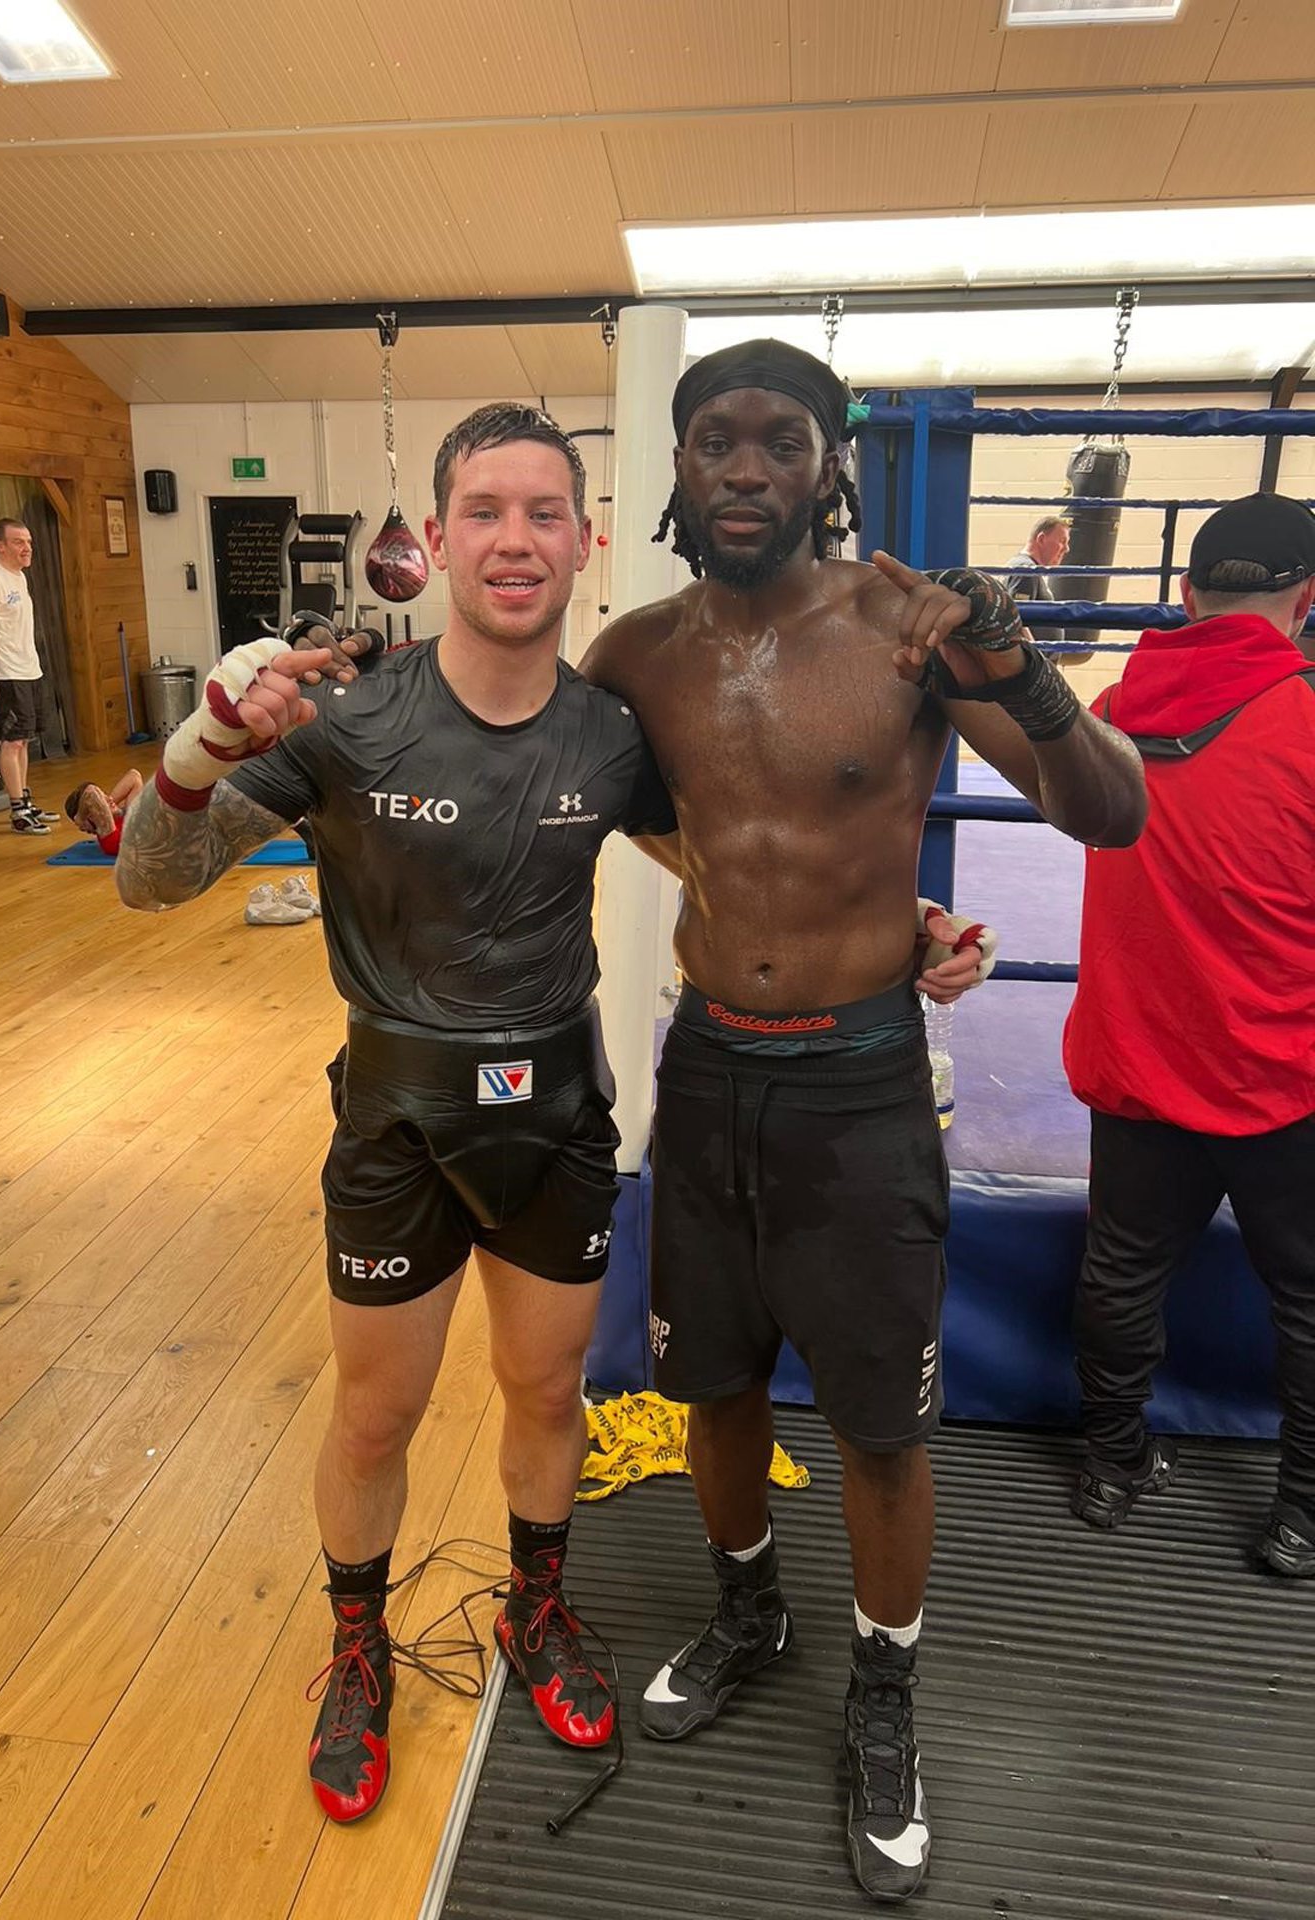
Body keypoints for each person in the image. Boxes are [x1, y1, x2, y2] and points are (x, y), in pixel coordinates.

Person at [581, 339, 1147, 1904]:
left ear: (832, 465)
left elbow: (1114, 810)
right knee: (711, 1383)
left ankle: (883, 1687)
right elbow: (665, 821)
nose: (746, 466)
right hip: (708, 1075)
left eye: (781, 441)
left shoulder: (907, 632)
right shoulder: (632, 656)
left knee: (883, 1428)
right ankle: (751, 1607)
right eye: (715, 440)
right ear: (681, 469)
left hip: (861, 1088)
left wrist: (1023, 669)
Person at [114, 403, 684, 1827]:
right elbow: (150, 878)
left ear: (583, 540)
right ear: (431, 543)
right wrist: (196, 741)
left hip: (553, 1116)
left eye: (544, 511)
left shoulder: (616, 737)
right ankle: (356, 1647)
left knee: (550, 1392)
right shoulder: (347, 721)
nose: (514, 537)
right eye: (483, 510)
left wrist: (895, 935)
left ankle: (532, 1613)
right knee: (379, 1414)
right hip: (398, 1124)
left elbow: (736, 874)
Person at [1063, 492, 1315, 1579]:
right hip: (1282, 1076)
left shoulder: (1116, 704)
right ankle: (1301, 1512)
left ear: (1183, 594)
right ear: (1307, 604)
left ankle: (1113, 1467)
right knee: (1305, 1299)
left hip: (1136, 1063)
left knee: (1121, 1272)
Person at [0, 518, 57, 834]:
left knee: (24, 740)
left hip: (29, 668)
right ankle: (18, 812)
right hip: (6, 673)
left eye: (29, 542)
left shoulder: (19, 577)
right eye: (19, 542)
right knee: (12, 741)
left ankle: (26, 800)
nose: (26, 548)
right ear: (0, 545)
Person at [1003, 514, 1071, 655]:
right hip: (1033, 668)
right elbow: (1018, 620)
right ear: (1041, 539)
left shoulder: (1025, 568)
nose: (1066, 548)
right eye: (1062, 541)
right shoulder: (1027, 570)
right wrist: (1037, 661)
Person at [64, 768, 144, 854]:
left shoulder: (125, 816)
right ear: (92, 815)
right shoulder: (110, 837)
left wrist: (108, 804)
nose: (109, 798)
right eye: (101, 800)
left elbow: (134, 776)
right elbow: (91, 792)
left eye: (104, 796)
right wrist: (80, 818)